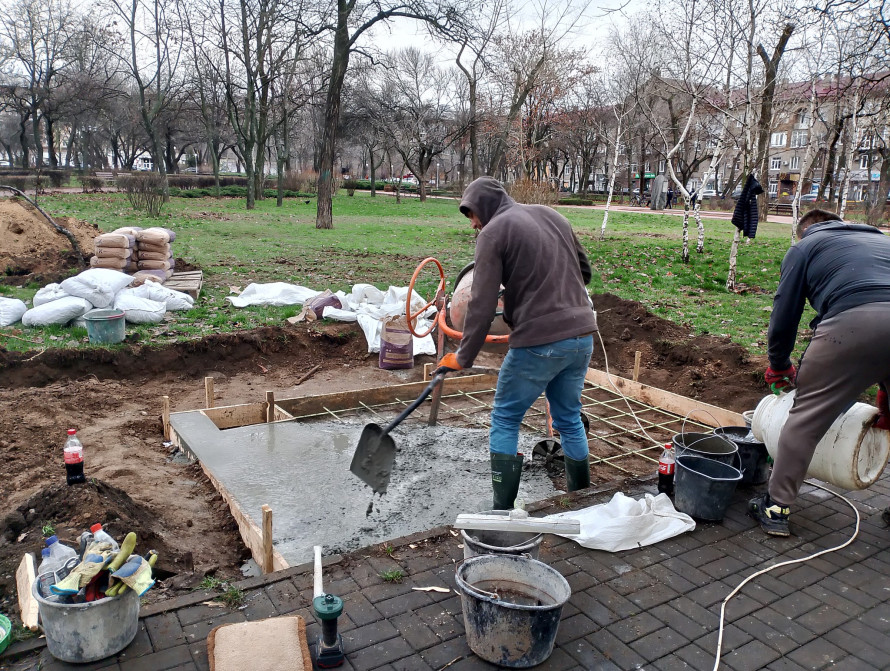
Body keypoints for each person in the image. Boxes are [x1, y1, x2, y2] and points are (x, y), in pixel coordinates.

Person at [436, 176, 598, 510]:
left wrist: (463, 356)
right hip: (582, 336)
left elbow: (481, 306)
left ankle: (503, 509)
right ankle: (582, 501)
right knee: (568, 417)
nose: (473, 224)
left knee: (506, 417)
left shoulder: (493, 233)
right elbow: (584, 272)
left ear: (483, 207)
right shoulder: (552, 215)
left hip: (540, 343)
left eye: (471, 215)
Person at [751, 208, 890, 536]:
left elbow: (785, 314)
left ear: (805, 231)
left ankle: (776, 507)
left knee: (806, 417)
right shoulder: (881, 241)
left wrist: (779, 365)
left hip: (854, 323)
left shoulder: (805, 247)